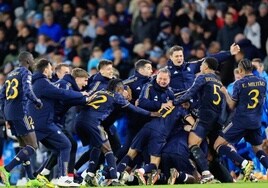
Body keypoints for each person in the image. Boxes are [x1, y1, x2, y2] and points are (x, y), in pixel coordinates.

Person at [77, 79, 159, 186]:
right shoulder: (116, 96)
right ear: (119, 89)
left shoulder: (99, 92)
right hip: (94, 123)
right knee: (108, 150)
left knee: (97, 147)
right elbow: (134, 109)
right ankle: (115, 180)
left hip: (79, 121)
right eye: (123, 89)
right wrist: (151, 114)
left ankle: (90, 174)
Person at [27, 59, 88, 187]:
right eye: (65, 72)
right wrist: (82, 97)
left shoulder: (51, 83)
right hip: (48, 122)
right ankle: (66, 176)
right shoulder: (57, 84)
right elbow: (63, 97)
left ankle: (41, 174)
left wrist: (81, 98)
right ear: (57, 73)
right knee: (66, 144)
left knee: (58, 147)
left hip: (51, 121)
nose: (67, 75)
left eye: (69, 72)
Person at [214, 59, 268, 181]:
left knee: (218, 144)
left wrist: (225, 93)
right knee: (257, 148)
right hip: (256, 121)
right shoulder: (263, 82)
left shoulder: (239, 83)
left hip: (240, 121)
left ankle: (244, 163)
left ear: (241, 70)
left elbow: (231, 105)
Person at [175, 57, 224, 183]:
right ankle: (241, 164)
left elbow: (190, 93)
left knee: (193, 142)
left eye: (202, 64)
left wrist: (174, 102)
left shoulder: (202, 77)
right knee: (217, 147)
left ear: (206, 66)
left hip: (205, 116)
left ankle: (206, 174)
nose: (200, 66)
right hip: (218, 118)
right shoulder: (218, 81)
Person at [0, 51, 43, 187]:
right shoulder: (26, 73)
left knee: (23, 146)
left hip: (9, 112)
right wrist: (37, 102)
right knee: (33, 145)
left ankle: (30, 177)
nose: (33, 61)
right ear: (28, 61)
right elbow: (27, 90)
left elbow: (1, 97)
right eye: (32, 59)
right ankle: (6, 169)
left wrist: (5, 116)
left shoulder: (9, 75)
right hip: (20, 112)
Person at [167, 44, 240, 93]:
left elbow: (210, 59)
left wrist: (229, 53)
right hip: (176, 104)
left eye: (181, 56)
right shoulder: (166, 71)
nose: (179, 58)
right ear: (171, 57)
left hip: (193, 103)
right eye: (176, 56)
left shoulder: (191, 66)